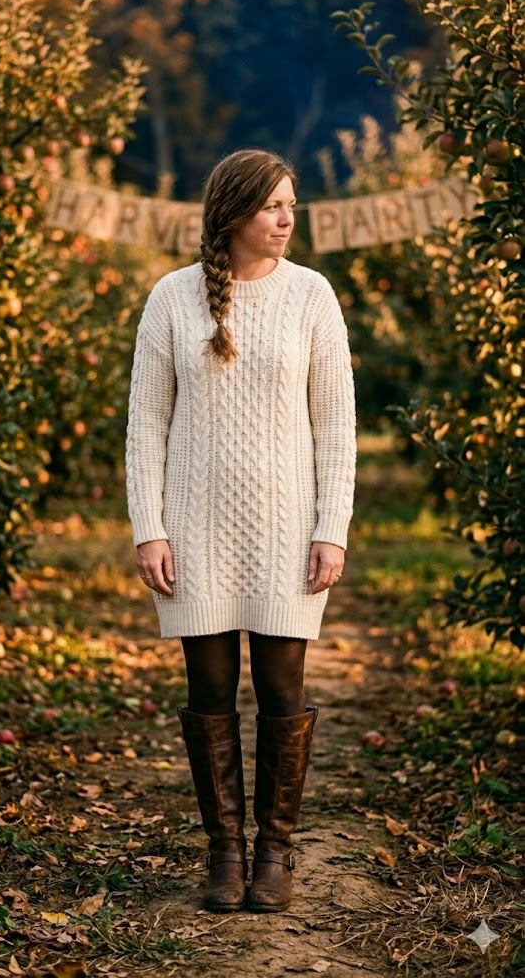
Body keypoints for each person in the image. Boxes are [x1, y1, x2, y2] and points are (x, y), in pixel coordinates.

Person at [125, 148, 356, 914]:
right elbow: (146, 424)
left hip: (289, 529)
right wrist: (149, 528)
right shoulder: (172, 298)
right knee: (210, 688)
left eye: (293, 205)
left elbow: (337, 429)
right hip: (195, 528)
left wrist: (333, 528)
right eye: (273, 206)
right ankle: (224, 851)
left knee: (283, 687)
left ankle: (274, 853)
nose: (288, 219)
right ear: (233, 214)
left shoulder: (312, 296)